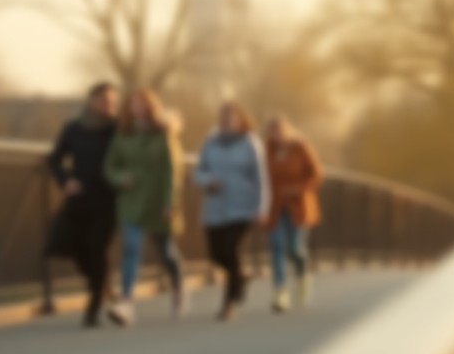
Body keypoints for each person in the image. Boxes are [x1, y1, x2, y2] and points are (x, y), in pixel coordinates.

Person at [102, 88, 185, 326]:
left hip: (158, 202)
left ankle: (178, 286)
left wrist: (170, 203)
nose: (136, 109)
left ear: (150, 108)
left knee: (166, 252)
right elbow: (110, 166)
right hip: (131, 202)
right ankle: (126, 302)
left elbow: (173, 171)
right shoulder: (122, 135)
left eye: (141, 104)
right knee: (131, 249)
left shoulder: (164, 134)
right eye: (132, 104)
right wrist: (120, 178)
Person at [43, 82, 119, 328]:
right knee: (74, 249)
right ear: (92, 101)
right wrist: (66, 180)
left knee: (97, 249)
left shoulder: (118, 129)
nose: (108, 106)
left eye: (111, 102)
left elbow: (140, 149)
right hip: (78, 200)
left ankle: (94, 306)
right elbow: (54, 159)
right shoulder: (74, 128)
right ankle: (101, 284)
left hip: (108, 200)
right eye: (103, 101)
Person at [193, 101, 269, 322]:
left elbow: (261, 178)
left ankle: (228, 304)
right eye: (223, 118)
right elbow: (199, 170)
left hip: (242, 206)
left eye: (231, 118)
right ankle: (241, 276)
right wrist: (207, 180)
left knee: (231, 250)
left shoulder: (250, 143)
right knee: (216, 254)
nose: (226, 122)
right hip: (215, 207)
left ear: (240, 120)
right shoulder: (210, 142)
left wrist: (261, 207)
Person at [263, 115, 323, 312]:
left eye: (281, 130)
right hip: (276, 207)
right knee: (277, 246)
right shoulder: (268, 150)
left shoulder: (300, 147)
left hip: (299, 206)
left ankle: (303, 274)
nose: (277, 135)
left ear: (289, 130)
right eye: (274, 131)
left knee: (295, 248)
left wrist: (298, 189)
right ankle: (280, 292)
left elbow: (316, 174)